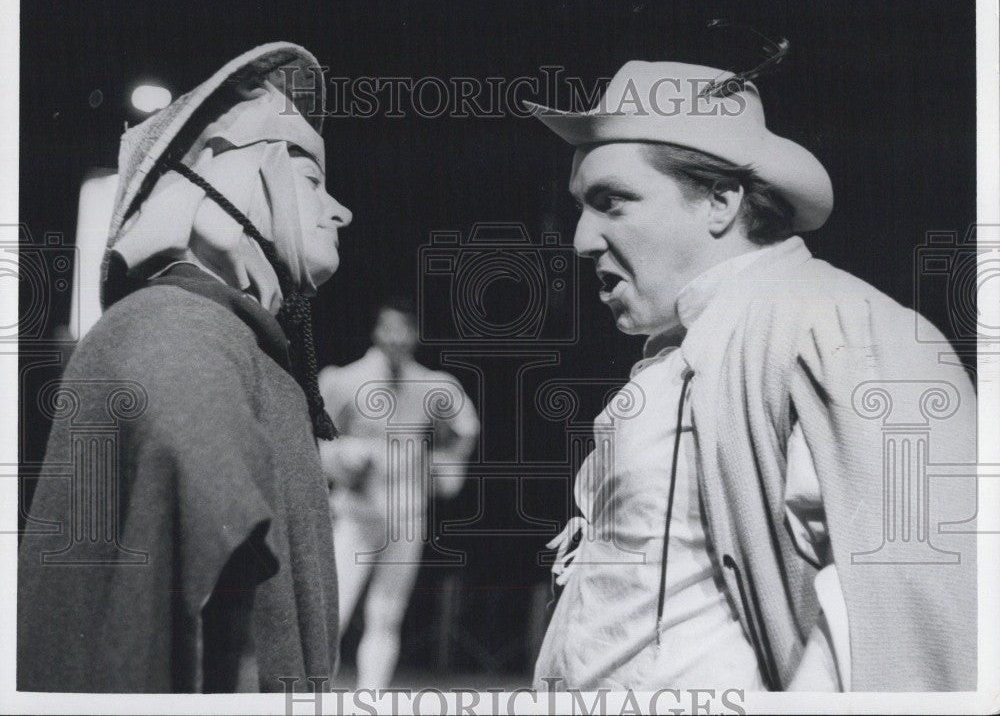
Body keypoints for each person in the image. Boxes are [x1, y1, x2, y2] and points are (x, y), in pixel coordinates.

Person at [525, 61, 977, 692]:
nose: (580, 240)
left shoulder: (840, 325)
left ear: (720, 201)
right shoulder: (683, 352)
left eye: (612, 202)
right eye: (580, 207)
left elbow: (904, 611)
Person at [18, 42, 352, 692]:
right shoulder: (181, 332)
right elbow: (213, 617)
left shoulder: (204, 334)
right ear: (231, 179)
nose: (340, 210)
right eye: (312, 180)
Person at [318, 298, 479, 689]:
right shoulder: (345, 380)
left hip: (405, 514)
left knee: (386, 614)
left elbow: (465, 430)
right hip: (357, 510)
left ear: (415, 335)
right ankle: (312, 694)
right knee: (331, 611)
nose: (396, 338)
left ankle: (370, 698)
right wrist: (342, 455)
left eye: (404, 330)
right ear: (376, 332)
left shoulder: (431, 385)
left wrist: (443, 466)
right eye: (389, 329)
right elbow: (315, 439)